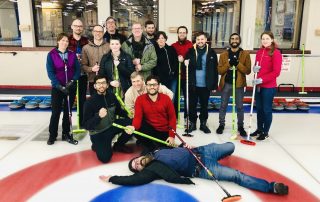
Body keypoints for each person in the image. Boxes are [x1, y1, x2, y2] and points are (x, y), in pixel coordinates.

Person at [100, 141, 289, 196]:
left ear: (139, 156)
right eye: (135, 167)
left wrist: (182, 147)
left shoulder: (154, 150)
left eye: (135, 161)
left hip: (202, 150)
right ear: (141, 170)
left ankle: (221, 154)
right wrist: (112, 178)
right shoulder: (152, 170)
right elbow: (132, 180)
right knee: (236, 176)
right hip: (201, 168)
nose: (137, 163)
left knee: (230, 146)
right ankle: (271, 187)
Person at [83, 75, 133, 163]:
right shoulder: (89, 102)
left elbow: (118, 111)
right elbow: (86, 125)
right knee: (105, 158)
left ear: (107, 85)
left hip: (112, 125)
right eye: (98, 83)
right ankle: (97, 145)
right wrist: (98, 116)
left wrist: (128, 115)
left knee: (132, 123)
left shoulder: (112, 96)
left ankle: (118, 145)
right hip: (99, 132)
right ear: (95, 86)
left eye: (103, 83)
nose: (101, 85)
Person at [125, 75, 176, 154]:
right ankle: (151, 147)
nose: (152, 87)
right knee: (137, 128)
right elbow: (137, 117)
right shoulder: (140, 99)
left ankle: (155, 146)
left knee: (168, 153)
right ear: (146, 85)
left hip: (164, 131)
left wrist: (172, 136)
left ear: (158, 86)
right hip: (150, 129)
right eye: (149, 85)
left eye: (154, 84)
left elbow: (172, 118)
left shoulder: (166, 98)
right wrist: (133, 127)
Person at [46, 33, 80, 145]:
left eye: (66, 41)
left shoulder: (71, 54)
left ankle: (66, 133)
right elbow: (50, 72)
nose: (65, 43)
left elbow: (77, 69)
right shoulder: (51, 54)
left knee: (68, 111)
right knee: (55, 111)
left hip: (70, 87)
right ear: (58, 41)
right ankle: (52, 134)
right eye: (62, 40)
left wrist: (72, 81)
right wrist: (58, 86)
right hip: (57, 88)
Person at [216, 33, 251, 136]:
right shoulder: (223, 55)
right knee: (223, 105)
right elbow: (219, 70)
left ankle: (240, 126)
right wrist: (229, 64)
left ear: (239, 41)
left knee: (240, 106)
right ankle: (221, 124)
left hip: (239, 84)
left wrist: (238, 64)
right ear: (230, 41)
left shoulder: (245, 54)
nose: (234, 40)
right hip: (226, 84)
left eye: (236, 39)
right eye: (232, 39)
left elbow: (247, 70)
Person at [251, 31, 282, 140]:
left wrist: (262, 79)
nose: (265, 41)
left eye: (267, 38)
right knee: (259, 108)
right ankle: (259, 129)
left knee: (266, 109)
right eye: (263, 39)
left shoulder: (276, 53)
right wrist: (254, 69)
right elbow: (256, 66)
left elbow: (276, 72)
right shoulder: (260, 52)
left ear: (272, 40)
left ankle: (265, 131)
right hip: (259, 86)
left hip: (268, 87)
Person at [185, 32, 218, 134]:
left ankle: (203, 124)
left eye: (202, 39)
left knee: (204, 105)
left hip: (205, 84)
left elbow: (215, 69)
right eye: (198, 39)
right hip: (193, 84)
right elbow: (185, 67)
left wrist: (214, 84)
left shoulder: (211, 52)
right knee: (192, 105)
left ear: (206, 40)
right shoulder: (190, 51)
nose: (200, 41)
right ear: (196, 40)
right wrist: (184, 63)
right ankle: (193, 123)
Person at [68, 19, 89, 128]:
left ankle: (82, 123)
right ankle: (67, 123)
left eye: (80, 26)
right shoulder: (66, 40)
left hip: (83, 75)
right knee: (69, 99)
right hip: (70, 75)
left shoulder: (86, 41)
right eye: (76, 26)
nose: (78, 28)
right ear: (72, 27)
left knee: (82, 99)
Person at [171, 26, 193, 124]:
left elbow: (193, 58)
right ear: (178, 34)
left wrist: (186, 60)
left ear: (186, 33)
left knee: (187, 97)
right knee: (175, 97)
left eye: (184, 32)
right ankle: (175, 117)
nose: (182, 34)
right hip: (177, 76)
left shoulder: (191, 45)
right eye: (180, 32)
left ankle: (186, 117)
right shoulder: (173, 46)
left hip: (187, 76)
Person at [81, 25, 110, 96]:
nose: (98, 33)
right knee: (95, 103)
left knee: (107, 103)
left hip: (107, 80)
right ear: (93, 32)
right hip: (93, 80)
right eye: (96, 31)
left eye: (100, 31)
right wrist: (91, 69)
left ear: (103, 33)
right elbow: (83, 66)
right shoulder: (86, 48)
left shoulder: (109, 46)